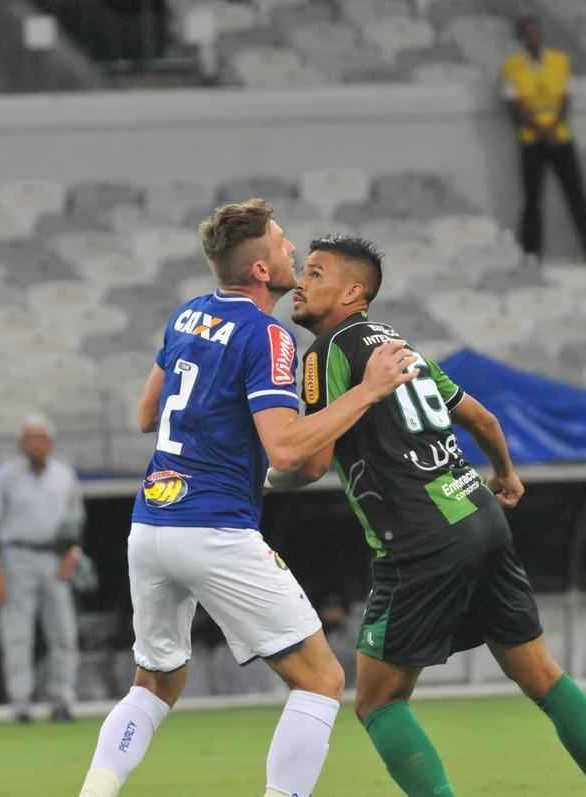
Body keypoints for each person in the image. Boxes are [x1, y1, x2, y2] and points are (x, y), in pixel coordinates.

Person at [272, 235, 586, 797]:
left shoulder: (327, 352)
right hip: (479, 511)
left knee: (377, 702)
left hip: (419, 535)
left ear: (352, 292)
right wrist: (507, 474)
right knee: (542, 676)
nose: (300, 281)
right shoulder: (400, 348)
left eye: (315, 274)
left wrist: (275, 473)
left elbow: (314, 459)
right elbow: (485, 419)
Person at [77, 200, 418, 797]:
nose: (293, 254)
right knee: (320, 680)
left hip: (151, 524)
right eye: (285, 246)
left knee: (154, 683)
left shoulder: (187, 315)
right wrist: (366, 392)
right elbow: (286, 451)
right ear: (261, 270)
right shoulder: (269, 335)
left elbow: (145, 414)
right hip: (215, 527)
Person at [0, 415, 85, 723]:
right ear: (21, 443)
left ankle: (62, 699)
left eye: (40, 438)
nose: (34, 444)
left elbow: (75, 524)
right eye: (28, 438)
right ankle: (20, 702)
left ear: (50, 443)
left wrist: (71, 557)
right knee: (17, 633)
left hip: (54, 558)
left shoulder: (65, 475)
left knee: (63, 632)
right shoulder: (4, 476)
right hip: (16, 556)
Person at [502, 15, 586, 265]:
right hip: (531, 142)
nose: (533, 37)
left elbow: (566, 100)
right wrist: (540, 130)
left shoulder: (561, 61)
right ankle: (530, 257)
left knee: (577, 197)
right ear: (521, 38)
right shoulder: (512, 67)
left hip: (560, 139)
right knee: (532, 201)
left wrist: (553, 127)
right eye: (527, 33)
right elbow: (515, 106)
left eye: (536, 32)